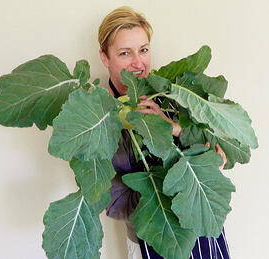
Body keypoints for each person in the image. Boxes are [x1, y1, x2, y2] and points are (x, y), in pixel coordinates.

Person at [98, 6, 230, 259]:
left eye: (144, 50)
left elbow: (219, 148)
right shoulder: (100, 119)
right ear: (105, 57)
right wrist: (177, 188)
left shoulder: (174, 96)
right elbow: (115, 201)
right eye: (125, 53)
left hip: (205, 231)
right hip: (153, 241)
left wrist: (176, 129)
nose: (138, 63)